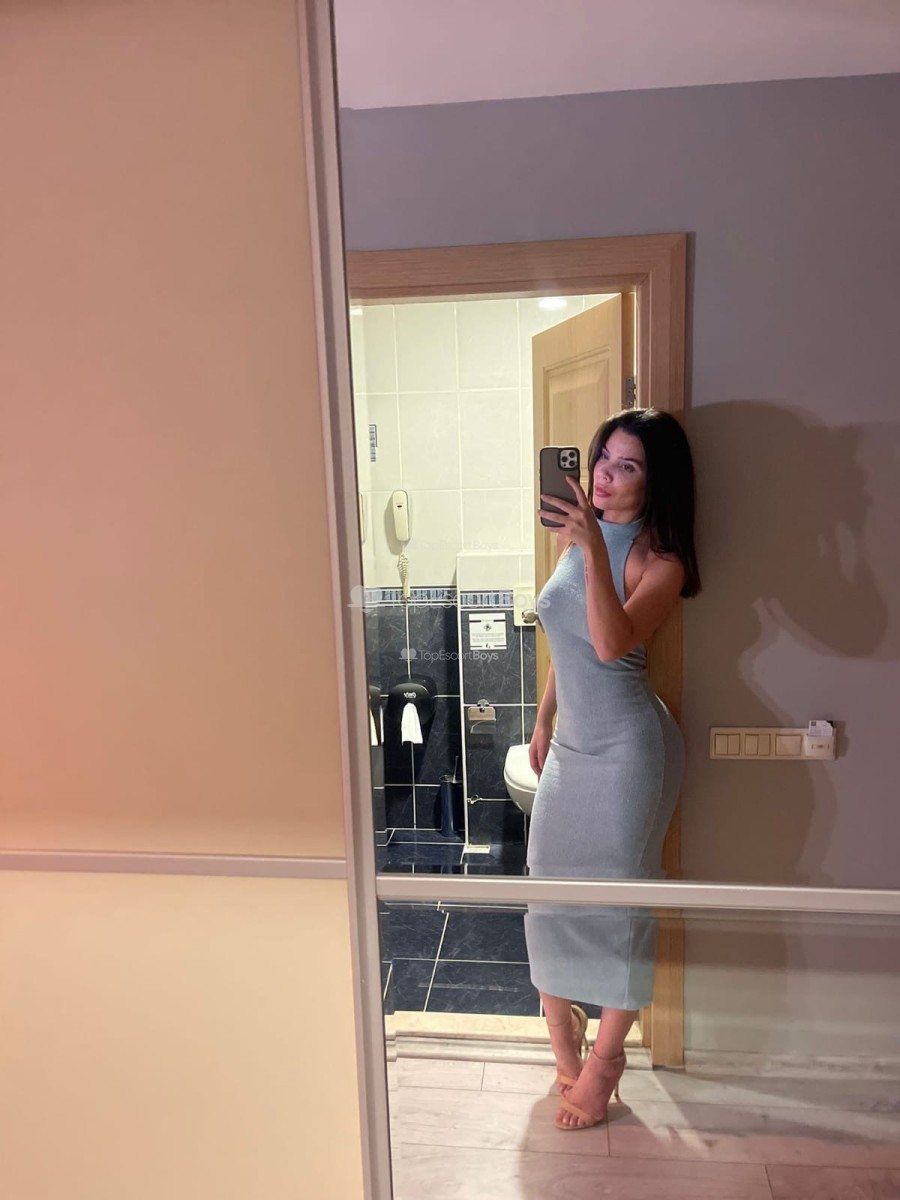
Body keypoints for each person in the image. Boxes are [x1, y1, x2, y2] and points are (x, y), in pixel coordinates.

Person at [525, 407, 700, 1132]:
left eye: (627, 466)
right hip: (571, 746)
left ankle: (604, 1061)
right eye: (602, 457)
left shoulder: (662, 564)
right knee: (546, 892)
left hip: (630, 752)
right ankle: (562, 1040)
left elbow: (608, 642)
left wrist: (595, 547)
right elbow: (566, 639)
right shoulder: (579, 537)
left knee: (622, 903)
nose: (603, 475)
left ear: (655, 482)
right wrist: (543, 718)